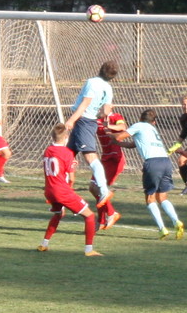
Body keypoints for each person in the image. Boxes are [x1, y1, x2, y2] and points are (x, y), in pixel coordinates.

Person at [118, 108, 183, 240]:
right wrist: (119, 143)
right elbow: (133, 144)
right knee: (163, 197)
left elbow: (120, 136)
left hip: (152, 163)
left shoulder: (139, 125)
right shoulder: (152, 129)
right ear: (154, 122)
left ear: (141, 119)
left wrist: (111, 136)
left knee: (150, 198)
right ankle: (176, 221)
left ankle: (162, 229)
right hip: (165, 161)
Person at [38, 122, 102, 256]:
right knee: (89, 216)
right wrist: (70, 189)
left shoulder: (48, 150)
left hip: (49, 190)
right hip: (61, 190)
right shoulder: (67, 153)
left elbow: (56, 163)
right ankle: (89, 250)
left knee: (58, 214)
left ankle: (44, 244)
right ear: (66, 137)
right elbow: (71, 178)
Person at [61, 60, 119, 204]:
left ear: (100, 69)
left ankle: (104, 190)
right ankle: (60, 189)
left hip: (83, 121)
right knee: (66, 156)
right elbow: (106, 111)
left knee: (90, 157)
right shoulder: (108, 88)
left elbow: (84, 104)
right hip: (89, 121)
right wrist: (96, 116)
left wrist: (71, 120)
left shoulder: (92, 83)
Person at [94, 108, 128, 228]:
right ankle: (105, 217)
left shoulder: (115, 117)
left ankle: (104, 218)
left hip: (115, 159)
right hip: (104, 158)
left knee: (98, 189)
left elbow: (123, 126)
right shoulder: (96, 118)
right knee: (95, 189)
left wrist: (109, 126)